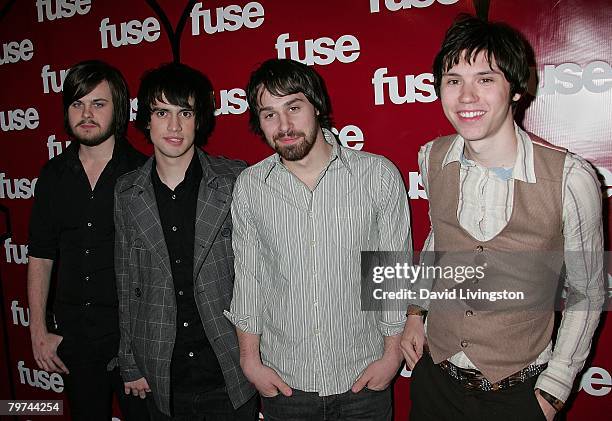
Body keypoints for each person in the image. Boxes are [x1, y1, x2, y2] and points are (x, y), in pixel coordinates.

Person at [400, 15, 605, 421]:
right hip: (436, 383)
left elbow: (588, 290)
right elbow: (438, 240)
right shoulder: (432, 157)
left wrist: (557, 387)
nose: (466, 96)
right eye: (453, 80)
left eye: (485, 79)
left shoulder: (570, 179)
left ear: (514, 89)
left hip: (520, 394)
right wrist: (415, 311)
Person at [225, 58, 412, 420]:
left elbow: (394, 274)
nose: (284, 125)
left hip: (363, 378)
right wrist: (250, 363)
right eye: (269, 114)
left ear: (316, 106)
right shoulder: (250, 186)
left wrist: (391, 357)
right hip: (285, 383)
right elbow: (249, 279)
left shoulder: (376, 176)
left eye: (293, 107)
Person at [114, 62, 257, 420]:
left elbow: (263, 273)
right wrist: (129, 361)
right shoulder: (127, 192)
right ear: (147, 119)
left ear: (200, 120)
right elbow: (126, 281)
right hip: (163, 373)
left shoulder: (235, 180)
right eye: (162, 112)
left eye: (185, 113)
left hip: (230, 368)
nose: (174, 126)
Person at [27, 60, 149, 420]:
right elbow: (40, 256)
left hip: (133, 341)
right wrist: (38, 330)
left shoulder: (142, 173)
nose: (86, 113)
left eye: (98, 104)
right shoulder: (53, 175)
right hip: (74, 341)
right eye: (77, 103)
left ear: (119, 110)